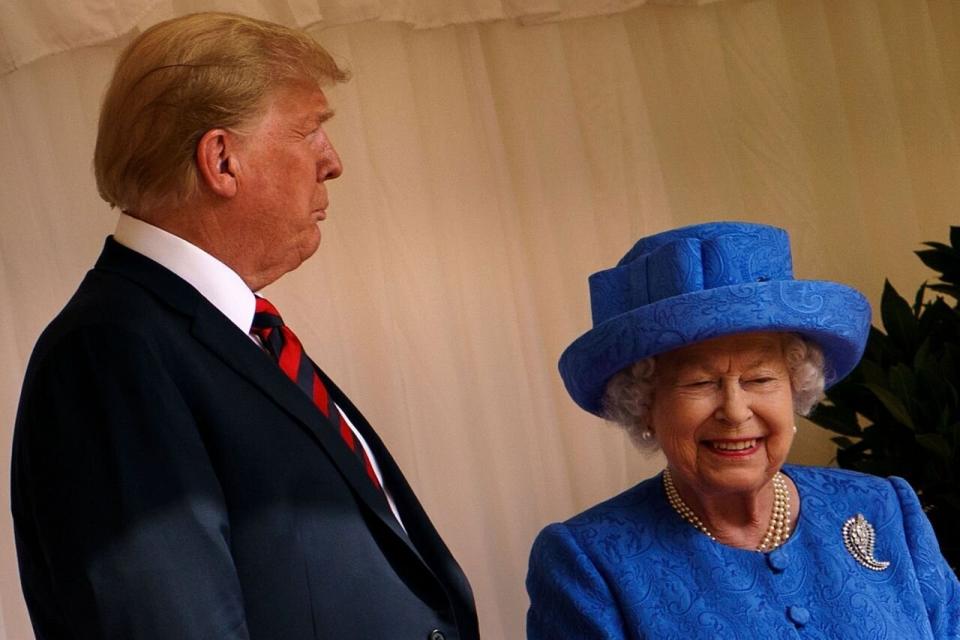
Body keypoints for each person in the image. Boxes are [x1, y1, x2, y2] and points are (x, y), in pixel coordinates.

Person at [11, 12, 478, 640]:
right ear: (222, 161)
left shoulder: (222, 336)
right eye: (310, 131)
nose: (332, 162)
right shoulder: (107, 354)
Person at [526, 221, 960, 638]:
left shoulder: (883, 507)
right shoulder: (589, 561)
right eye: (700, 383)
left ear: (796, 388)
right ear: (643, 407)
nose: (735, 412)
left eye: (760, 379)